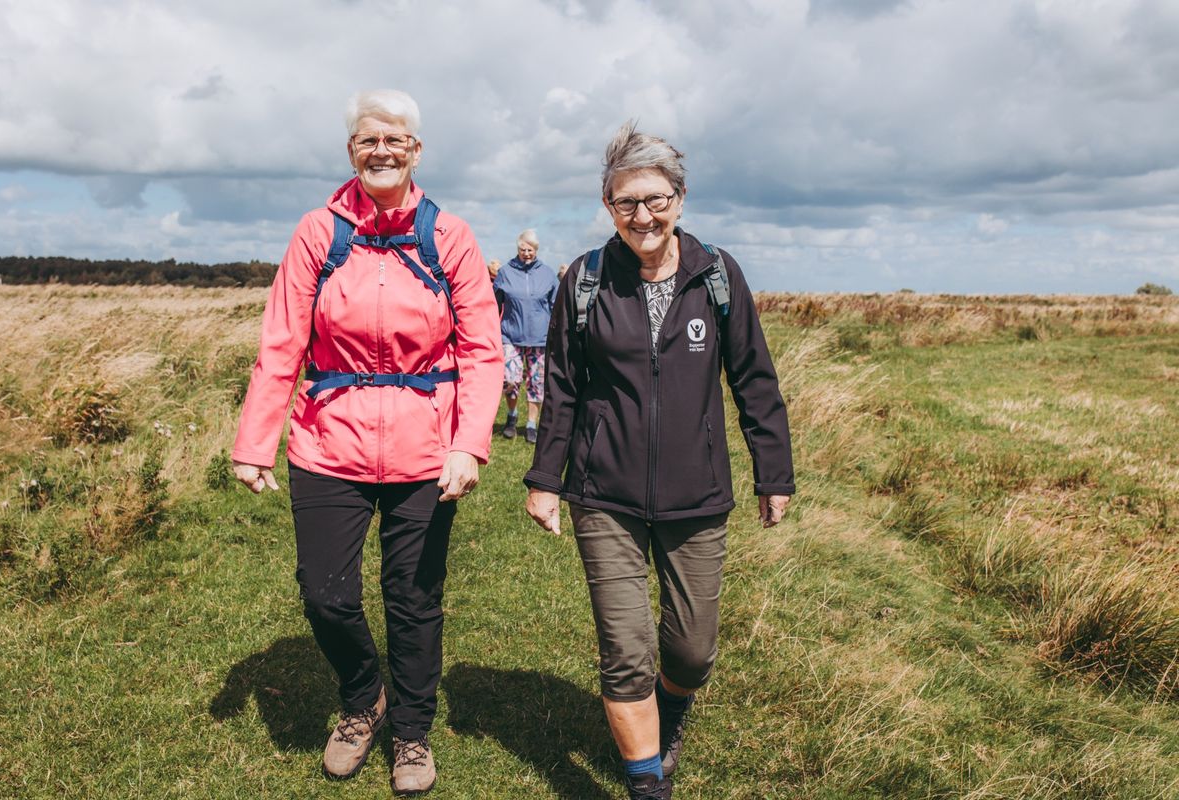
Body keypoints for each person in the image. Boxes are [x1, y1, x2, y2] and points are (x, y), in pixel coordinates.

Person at [231, 89, 502, 796]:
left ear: (416, 149)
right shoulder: (318, 233)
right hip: (328, 442)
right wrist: (255, 443)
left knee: (414, 600)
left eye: (395, 139)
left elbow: (481, 350)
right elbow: (283, 340)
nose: (381, 150)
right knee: (324, 595)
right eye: (367, 140)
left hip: (424, 447)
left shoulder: (451, 237)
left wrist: (470, 444)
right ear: (350, 150)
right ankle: (363, 699)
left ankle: (411, 732)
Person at [523, 122, 794, 800]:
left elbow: (753, 379)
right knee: (626, 650)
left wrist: (774, 471)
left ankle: (670, 711)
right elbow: (561, 388)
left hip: (696, 495)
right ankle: (647, 784)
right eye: (624, 203)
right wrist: (544, 482)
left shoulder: (717, 277)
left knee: (692, 652)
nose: (641, 216)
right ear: (608, 207)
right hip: (603, 491)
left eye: (654, 199)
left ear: (679, 198)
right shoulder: (584, 281)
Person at [492, 229, 558, 444]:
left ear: (536, 250)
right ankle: (511, 417)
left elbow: (556, 305)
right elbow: (494, 303)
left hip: (539, 338)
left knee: (536, 383)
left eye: (530, 250)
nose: (526, 253)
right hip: (510, 336)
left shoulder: (547, 274)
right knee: (510, 380)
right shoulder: (505, 272)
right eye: (523, 249)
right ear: (517, 249)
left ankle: (531, 424)